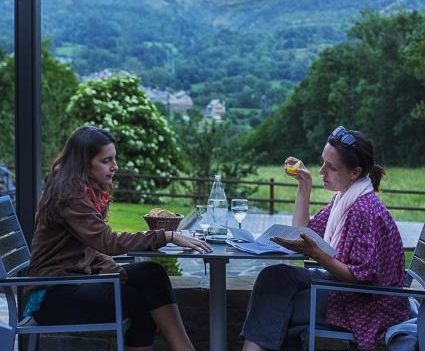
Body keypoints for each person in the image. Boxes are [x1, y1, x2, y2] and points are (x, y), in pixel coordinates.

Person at [24, 125, 212, 351]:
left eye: (114, 159)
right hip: (53, 296)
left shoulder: (80, 189)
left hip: (73, 281)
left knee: (152, 273)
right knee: (146, 301)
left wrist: (116, 271)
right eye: (106, 161)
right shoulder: (69, 195)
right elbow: (107, 242)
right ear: (84, 162)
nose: (115, 166)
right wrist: (167, 236)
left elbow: (90, 249)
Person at [241, 126, 409, 351]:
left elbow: (360, 276)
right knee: (274, 277)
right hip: (351, 292)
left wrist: (317, 254)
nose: (322, 171)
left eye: (331, 167)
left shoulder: (363, 209)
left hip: (368, 305)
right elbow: (303, 231)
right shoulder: (345, 198)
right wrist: (304, 185)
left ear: (354, 172)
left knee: (276, 303)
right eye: (323, 162)